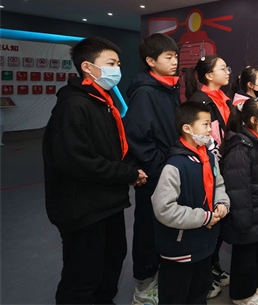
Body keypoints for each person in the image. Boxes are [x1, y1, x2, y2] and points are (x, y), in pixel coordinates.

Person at [43, 37, 148, 304]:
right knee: (83, 276)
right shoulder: (73, 106)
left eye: (118, 64)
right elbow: (78, 161)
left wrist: (130, 168)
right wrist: (128, 174)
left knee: (111, 263)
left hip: (108, 203)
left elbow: (112, 149)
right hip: (83, 208)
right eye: (111, 63)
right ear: (87, 67)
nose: (117, 69)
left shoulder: (101, 102)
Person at [151, 101, 230, 304]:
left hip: (204, 244)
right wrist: (205, 217)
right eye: (205, 124)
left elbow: (218, 185)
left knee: (199, 292)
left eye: (210, 124)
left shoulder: (209, 158)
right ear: (187, 128)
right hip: (180, 249)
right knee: (176, 296)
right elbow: (164, 209)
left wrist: (222, 203)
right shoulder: (175, 165)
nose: (210, 129)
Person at [124, 33, 181, 303]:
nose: (175, 62)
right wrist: (161, 167)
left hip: (170, 170)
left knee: (166, 227)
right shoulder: (145, 92)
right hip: (156, 174)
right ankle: (144, 285)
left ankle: (162, 277)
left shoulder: (168, 88)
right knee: (148, 229)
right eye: (168, 57)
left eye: (176, 57)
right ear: (150, 61)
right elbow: (137, 138)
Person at [221, 98, 258, 305]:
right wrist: (242, 218)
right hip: (248, 208)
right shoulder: (240, 148)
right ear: (254, 120)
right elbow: (237, 188)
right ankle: (242, 294)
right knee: (245, 253)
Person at [184, 56, 233, 297]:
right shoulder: (199, 101)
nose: (227, 72)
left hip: (222, 166)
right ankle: (203, 275)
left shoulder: (223, 98)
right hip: (206, 166)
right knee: (207, 220)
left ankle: (213, 265)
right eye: (223, 68)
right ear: (209, 75)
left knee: (220, 219)